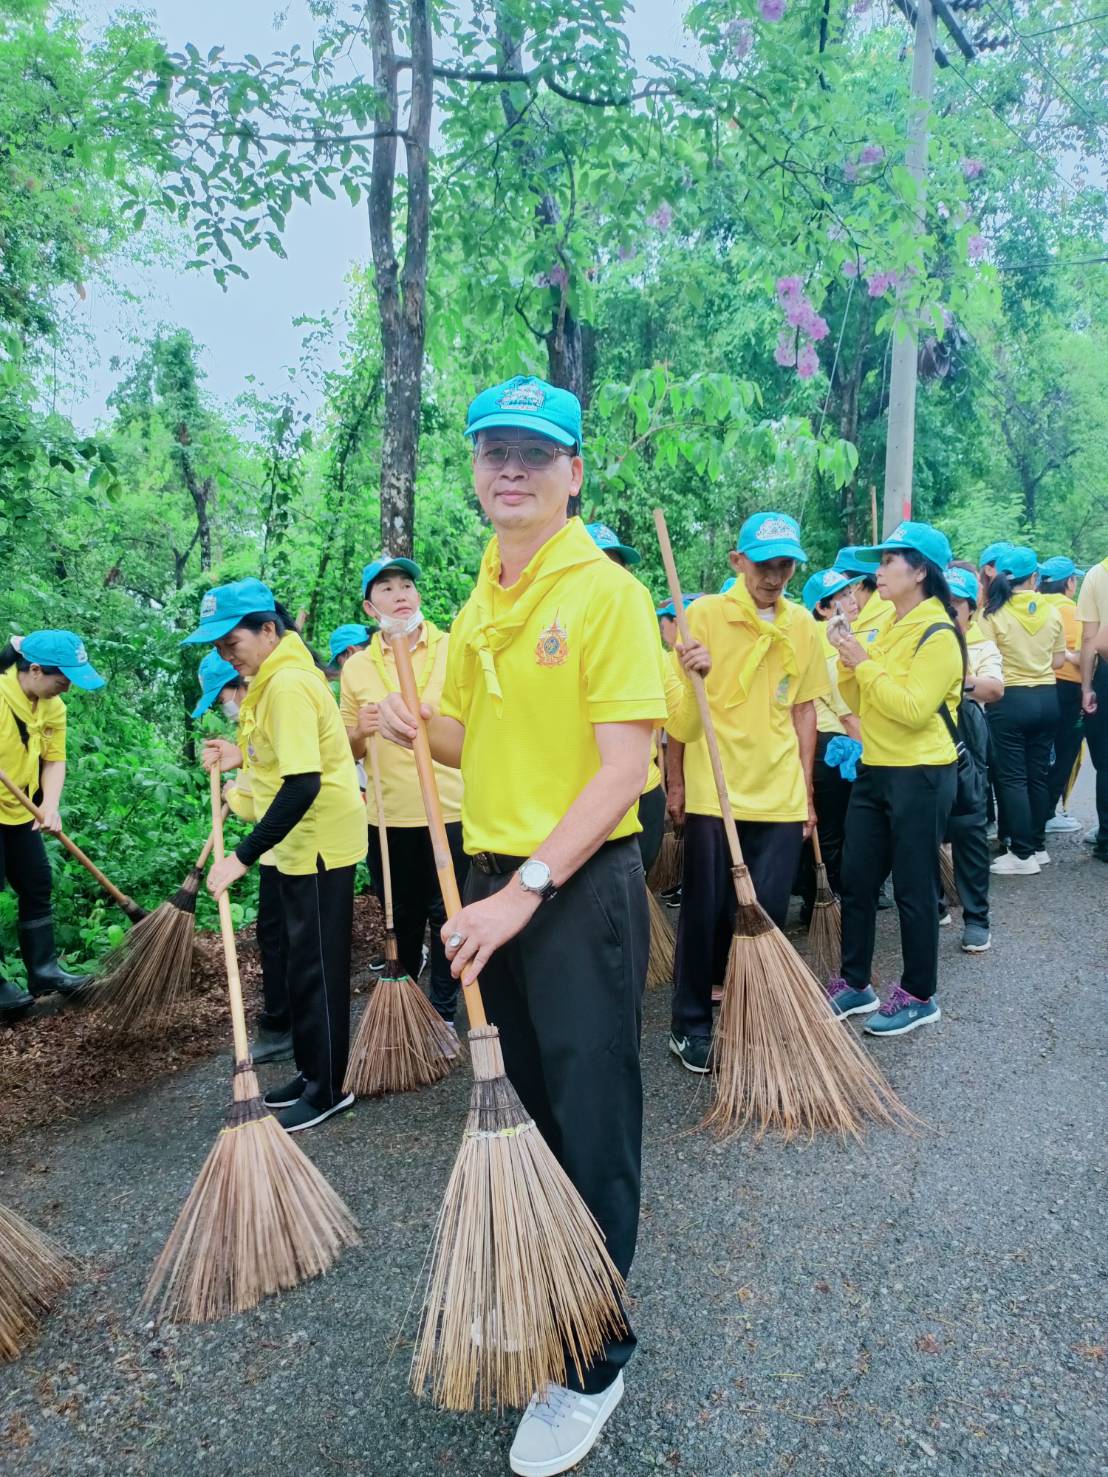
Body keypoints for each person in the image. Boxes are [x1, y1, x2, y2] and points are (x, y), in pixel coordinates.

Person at [376, 374, 666, 1477]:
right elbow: (470, 740)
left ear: (572, 472)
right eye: (495, 450)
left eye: (536, 453)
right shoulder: (481, 595)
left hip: (571, 888)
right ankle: (548, 1290)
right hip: (493, 885)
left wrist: (525, 888)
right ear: (473, 469)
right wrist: (412, 722)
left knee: (591, 1123)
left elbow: (623, 769)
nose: (512, 468)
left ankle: (593, 1361)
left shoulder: (605, 595)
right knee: (528, 1115)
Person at [184, 578, 366, 1133]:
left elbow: (303, 784)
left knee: (319, 969)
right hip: (294, 845)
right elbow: (271, 769)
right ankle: (311, 1072)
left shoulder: (286, 684)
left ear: (268, 630)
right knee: (300, 964)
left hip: (318, 843)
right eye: (218, 648)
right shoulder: (268, 682)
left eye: (231, 643)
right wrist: (236, 770)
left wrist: (240, 857)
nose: (226, 655)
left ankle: (330, 1087)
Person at [665, 511, 829, 1073]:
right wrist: (695, 676)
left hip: (778, 792)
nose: (774, 576)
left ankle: (748, 1015)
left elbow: (804, 710)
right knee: (705, 913)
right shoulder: (703, 616)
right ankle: (690, 1024)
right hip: (718, 791)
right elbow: (680, 722)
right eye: (763, 564)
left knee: (767, 914)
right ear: (738, 561)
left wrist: (806, 794)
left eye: (785, 565)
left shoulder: (803, 624)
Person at [825, 521, 963, 1037]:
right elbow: (862, 700)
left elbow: (910, 709)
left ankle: (919, 994)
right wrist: (848, 661)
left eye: (887, 562)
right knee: (857, 878)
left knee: (912, 886)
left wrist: (862, 662)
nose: (877, 572)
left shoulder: (938, 634)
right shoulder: (888, 625)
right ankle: (855, 982)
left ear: (920, 570)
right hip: (876, 767)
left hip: (921, 772)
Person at [339, 556, 466, 1038]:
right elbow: (345, 750)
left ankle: (443, 1012)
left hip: (452, 811)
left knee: (450, 916)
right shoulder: (356, 669)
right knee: (403, 920)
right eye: (387, 588)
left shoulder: (452, 649)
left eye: (407, 585)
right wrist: (361, 730)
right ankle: (409, 1012)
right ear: (370, 606)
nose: (400, 595)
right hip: (389, 818)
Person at [192, 649, 293, 1066]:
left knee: (282, 938)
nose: (225, 707)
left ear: (241, 683)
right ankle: (282, 1025)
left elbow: (257, 803)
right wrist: (237, 763)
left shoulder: (272, 710)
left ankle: (284, 1028)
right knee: (275, 935)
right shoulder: (253, 721)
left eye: (222, 697)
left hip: (292, 845)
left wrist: (232, 792)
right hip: (278, 848)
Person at [0, 631, 105, 1017]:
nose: (68, 687)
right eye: (63, 679)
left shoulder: (53, 706)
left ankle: (44, 971)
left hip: (20, 809)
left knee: (37, 882)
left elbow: (54, 759)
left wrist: (50, 806)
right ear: (35, 670)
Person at [977, 547, 1065, 876]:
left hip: (1009, 700)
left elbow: (984, 661)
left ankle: (1022, 854)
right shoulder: (1052, 611)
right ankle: (1038, 847)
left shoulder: (991, 614)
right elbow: (1058, 661)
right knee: (1037, 775)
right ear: (1034, 577)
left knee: (1013, 778)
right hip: (1048, 697)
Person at [796, 568, 864, 922]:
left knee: (822, 828)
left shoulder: (812, 643)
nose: (853, 600)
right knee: (834, 830)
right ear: (822, 609)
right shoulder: (832, 648)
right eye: (842, 596)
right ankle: (829, 901)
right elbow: (848, 713)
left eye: (852, 593)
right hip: (833, 746)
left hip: (819, 743)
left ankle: (815, 899)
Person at [944, 566, 1002, 952]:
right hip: (919, 741)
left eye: (955, 606)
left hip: (965, 740)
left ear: (970, 609)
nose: (948, 613)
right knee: (922, 826)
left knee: (968, 825)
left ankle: (977, 918)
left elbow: (995, 689)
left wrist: (953, 678)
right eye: (941, 604)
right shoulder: (913, 639)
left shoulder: (981, 646)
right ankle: (935, 902)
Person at [1037, 557, 1086, 833]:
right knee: (1066, 751)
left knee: (1040, 751)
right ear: (1069, 582)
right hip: (1068, 687)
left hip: (1039, 685)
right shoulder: (1071, 611)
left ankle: (1035, 811)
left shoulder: (1034, 605)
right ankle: (1047, 813)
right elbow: (1083, 654)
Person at [1078, 554, 1108, 861]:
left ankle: (1107, 838)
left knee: (1107, 761)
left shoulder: (1098, 573)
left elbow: (1091, 638)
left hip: (1106, 673)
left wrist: (1087, 686)